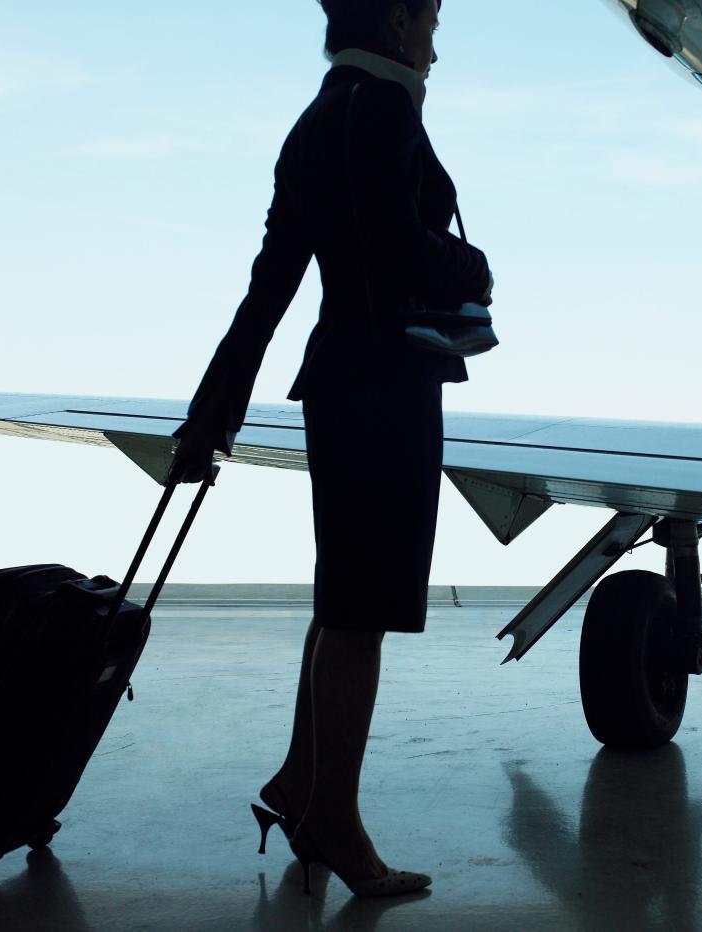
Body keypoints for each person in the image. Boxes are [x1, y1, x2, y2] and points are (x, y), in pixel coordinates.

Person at [167, 0, 492, 899]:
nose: (437, 32)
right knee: (362, 611)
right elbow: (400, 257)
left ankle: (302, 786)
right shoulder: (384, 109)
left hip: (340, 385)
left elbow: (268, 288)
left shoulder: (316, 118)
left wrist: (212, 415)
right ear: (393, 19)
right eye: (428, 12)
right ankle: (337, 823)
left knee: (341, 600)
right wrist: (475, 270)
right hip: (387, 385)